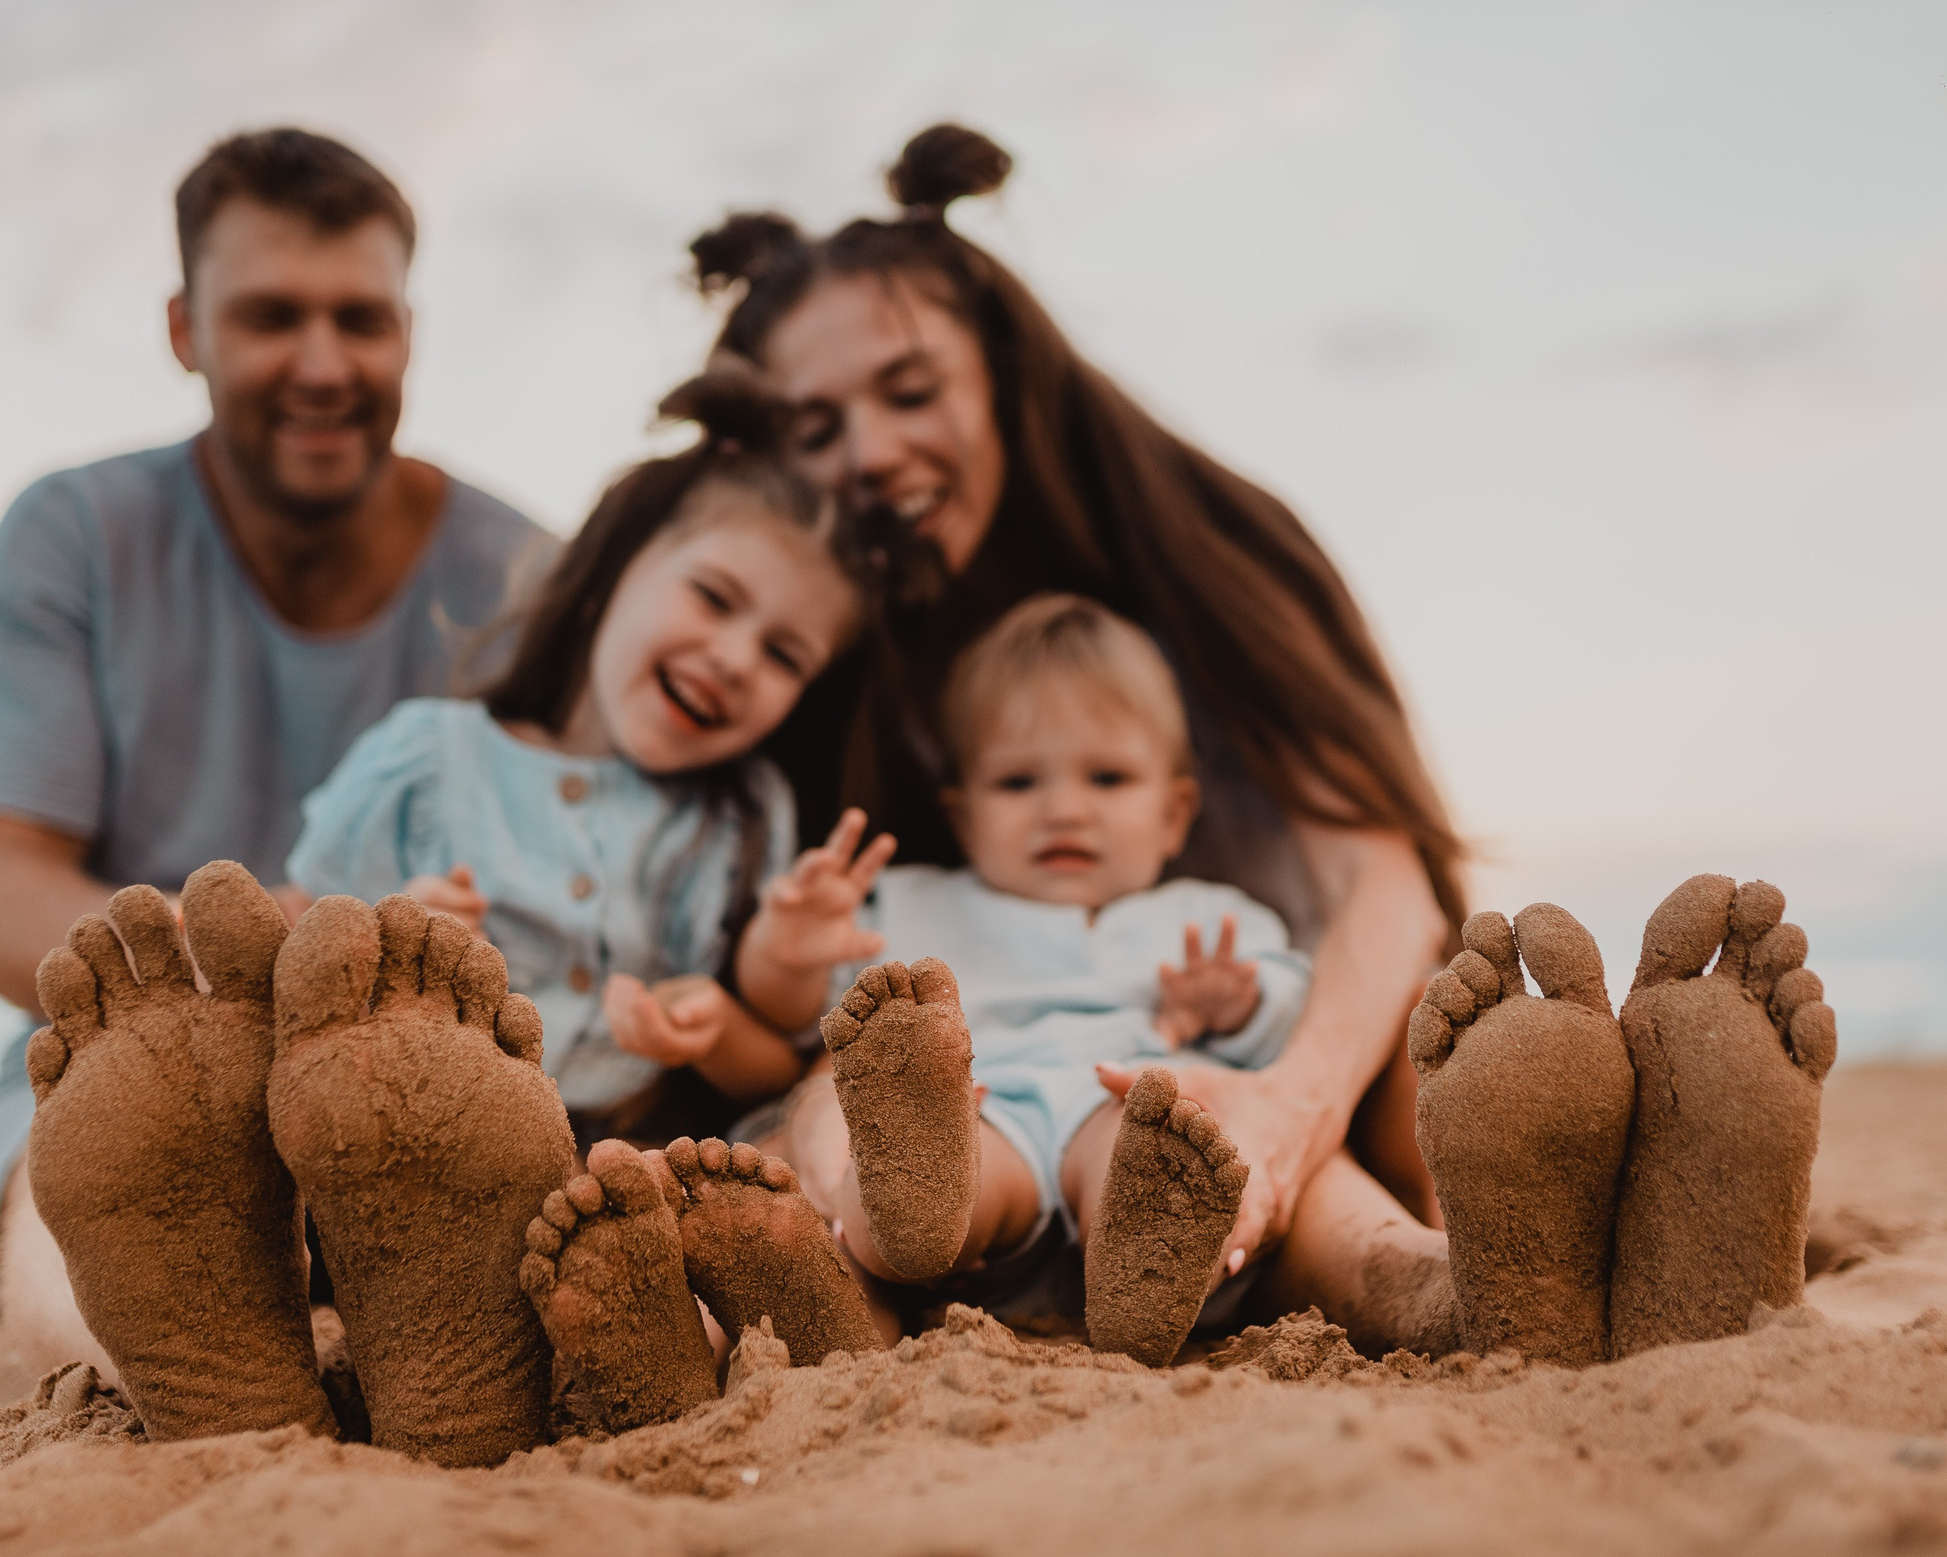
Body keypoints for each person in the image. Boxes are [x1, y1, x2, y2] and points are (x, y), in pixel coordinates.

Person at [690, 123, 1457, 1339]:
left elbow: (1384, 885)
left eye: (911, 392)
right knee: (823, 1121)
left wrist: (1289, 1101)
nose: (871, 455)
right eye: (816, 431)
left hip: (1250, 1071)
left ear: (1003, 372)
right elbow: (794, 1005)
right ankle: (793, 1290)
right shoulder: (805, 639)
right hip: (966, 1116)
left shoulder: (1207, 551)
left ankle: (1431, 1277)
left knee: (1296, 1160)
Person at [0, 128, 548, 1366]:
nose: (322, 364)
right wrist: (235, 965)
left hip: (435, 1061)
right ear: (185, 330)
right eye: (271, 317)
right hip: (129, 1057)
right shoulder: (72, 535)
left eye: (360, 320)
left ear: (408, 335)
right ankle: (185, 1368)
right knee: (79, 1208)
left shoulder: (529, 576)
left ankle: (351, 1348)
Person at [281, 361, 870, 1146]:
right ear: (611, 570)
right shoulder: (427, 758)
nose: (735, 659)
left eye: (784, 656)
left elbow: (772, 1070)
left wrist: (727, 1013)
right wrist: (396, 940)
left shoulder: (744, 815)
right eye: (713, 597)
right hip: (420, 1142)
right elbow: (296, 944)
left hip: (633, 1162)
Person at [741, 593, 1307, 1364]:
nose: (1063, 809)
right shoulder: (914, 902)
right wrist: (786, 951)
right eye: (1017, 783)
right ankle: (908, 1210)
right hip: (974, 1108)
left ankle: (1144, 1257)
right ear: (964, 817)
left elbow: (1295, 1012)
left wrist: (1240, 1002)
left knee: (1139, 1144)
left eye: (1107, 777)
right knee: (956, 1168)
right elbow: (801, 1011)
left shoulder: (1205, 916)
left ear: (1175, 814)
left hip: (1125, 1102)